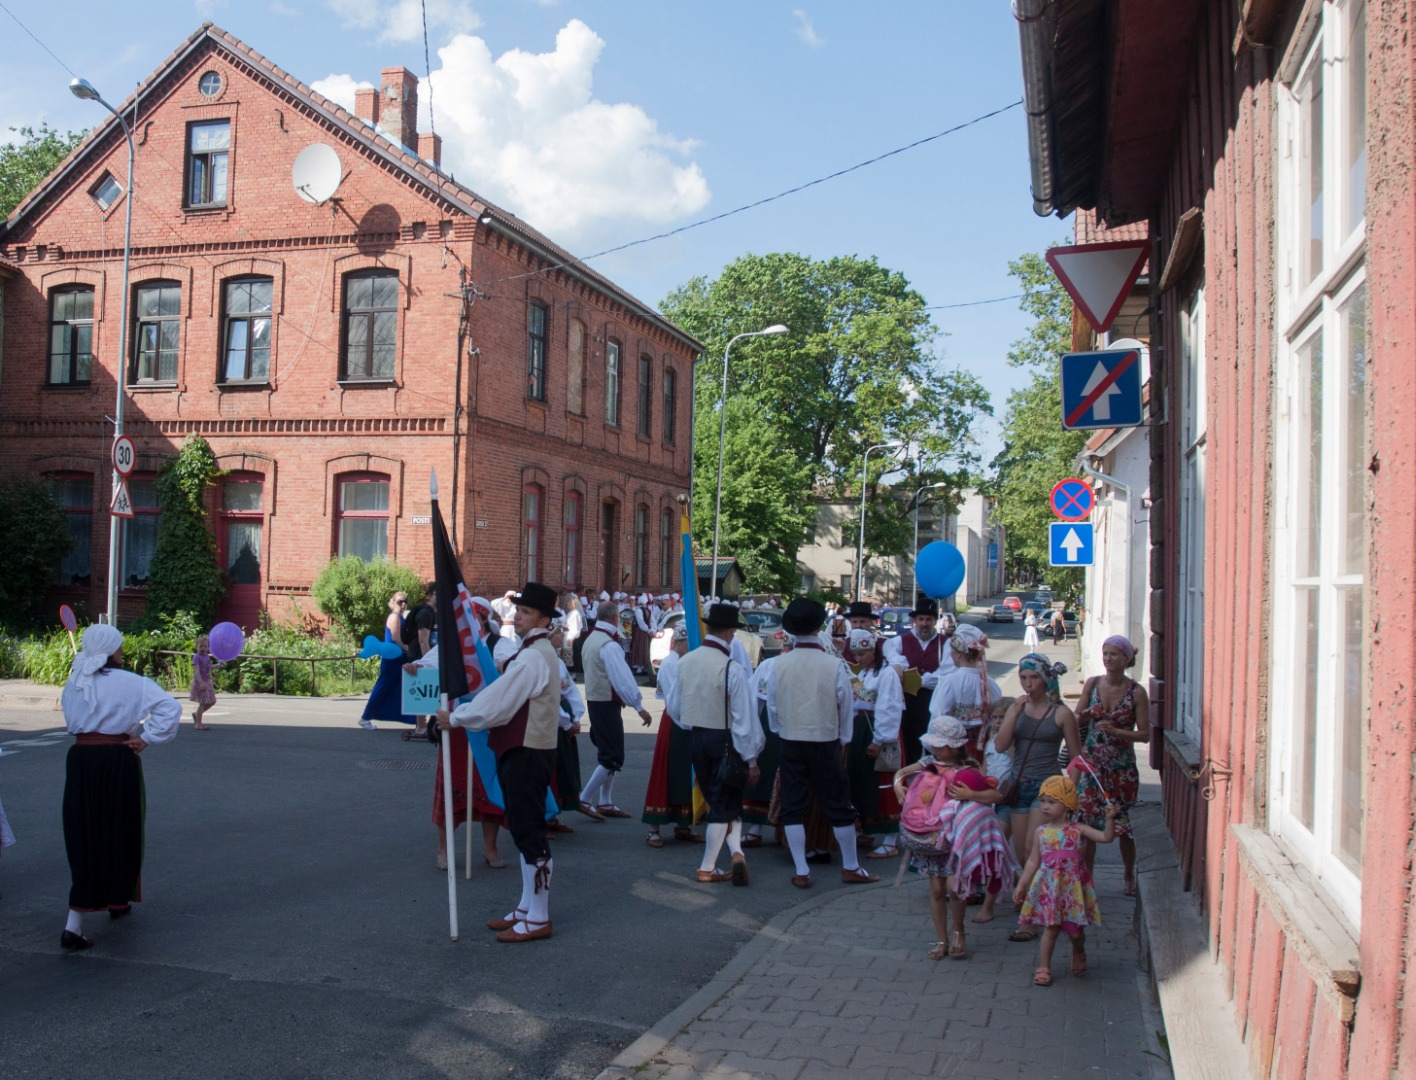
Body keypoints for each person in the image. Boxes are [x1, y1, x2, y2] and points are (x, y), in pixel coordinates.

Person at [436, 582, 563, 943]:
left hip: (527, 752)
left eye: (525, 612)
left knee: (529, 833)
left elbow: (501, 702)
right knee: (525, 831)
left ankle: (538, 917)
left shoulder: (534, 656)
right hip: (525, 750)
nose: (518, 616)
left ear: (541, 618)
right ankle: (527, 908)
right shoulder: (533, 652)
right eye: (518, 610)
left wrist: (458, 717)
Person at [58, 624, 182, 951]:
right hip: (118, 757)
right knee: (121, 829)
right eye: (120, 647)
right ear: (112, 650)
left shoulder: (74, 682)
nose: (123, 652)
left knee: (83, 832)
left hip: (82, 760)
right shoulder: (133, 683)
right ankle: (117, 898)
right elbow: (171, 708)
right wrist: (147, 738)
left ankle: (77, 921)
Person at [763, 598, 879, 889]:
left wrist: (783, 730)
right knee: (838, 802)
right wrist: (843, 738)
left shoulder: (776, 664)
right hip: (825, 740)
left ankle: (802, 869)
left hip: (791, 739)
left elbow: (773, 708)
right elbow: (846, 706)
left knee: (793, 803)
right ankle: (850, 866)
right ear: (819, 628)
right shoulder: (835, 665)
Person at [893, 715, 1010, 960]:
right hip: (929, 834)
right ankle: (941, 939)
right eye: (934, 743)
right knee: (936, 889)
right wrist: (897, 785)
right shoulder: (928, 762)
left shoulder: (969, 768)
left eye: (941, 744)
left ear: (955, 745)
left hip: (956, 836)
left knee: (954, 888)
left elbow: (995, 796)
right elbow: (902, 772)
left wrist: (970, 794)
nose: (936, 748)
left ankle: (959, 932)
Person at [667, 603, 764, 884]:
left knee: (722, 799)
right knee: (722, 805)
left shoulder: (685, 661)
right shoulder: (731, 668)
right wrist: (752, 759)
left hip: (696, 737)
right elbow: (744, 720)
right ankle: (707, 867)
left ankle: (737, 853)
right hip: (725, 740)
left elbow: (674, 706)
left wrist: (692, 724)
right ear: (730, 633)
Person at [995, 653, 1082, 943]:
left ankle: (1028, 919)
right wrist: (1011, 714)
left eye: (1033, 678)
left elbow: (1076, 758)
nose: (1028, 684)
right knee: (1023, 854)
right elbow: (1000, 745)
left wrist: (1070, 794)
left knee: (1035, 847)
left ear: (1045, 679)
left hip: (1047, 789)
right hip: (1019, 785)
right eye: (1023, 678)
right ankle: (1036, 903)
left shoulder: (1061, 714)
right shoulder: (1017, 709)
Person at [1012, 775, 1118, 986]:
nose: (1045, 807)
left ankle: (1078, 950)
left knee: (1076, 934)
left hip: (1071, 892)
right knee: (1050, 929)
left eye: (1052, 802)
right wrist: (1022, 883)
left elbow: (1106, 838)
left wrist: (1110, 819)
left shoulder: (1078, 830)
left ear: (1067, 804)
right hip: (1050, 891)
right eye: (1043, 801)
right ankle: (1044, 967)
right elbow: (1033, 860)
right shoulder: (1040, 832)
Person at [1073, 635, 1151, 896]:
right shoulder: (1093, 684)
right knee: (1087, 823)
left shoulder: (1137, 692)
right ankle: (1088, 879)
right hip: (1092, 767)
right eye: (1105, 653)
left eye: (1114, 654)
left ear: (1127, 659)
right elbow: (1077, 717)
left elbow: (1145, 734)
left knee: (1124, 826)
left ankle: (1128, 872)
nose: (1108, 658)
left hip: (1122, 769)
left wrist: (1119, 733)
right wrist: (1083, 716)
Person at [579, 600, 652, 818]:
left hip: (596, 700)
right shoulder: (608, 645)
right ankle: (584, 798)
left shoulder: (591, 639)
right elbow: (622, 679)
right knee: (612, 755)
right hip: (606, 703)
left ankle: (605, 801)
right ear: (615, 618)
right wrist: (639, 706)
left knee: (609, 751)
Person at [843, 628, 904, 859]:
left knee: (883, 783)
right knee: (861, 782)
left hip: (878, 733)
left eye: (864, 653)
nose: (859, 658)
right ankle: (866, 830)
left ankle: (890, 840)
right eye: (856, 654)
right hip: (861, 731)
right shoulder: (866, 675)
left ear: (874, 650)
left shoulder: (887, 674)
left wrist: (880, 740)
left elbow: (889, 707)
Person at [642, 624, 700, 846]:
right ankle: (653, 828)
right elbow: (674, 699)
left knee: (684, 774)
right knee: (665, 771)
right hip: (677, 722)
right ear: (680, 643)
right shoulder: (670, 664)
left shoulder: (683, 662)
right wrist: (686, 724)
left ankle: (683, 825)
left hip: (686, 721)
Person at [882, 598, 955, 766]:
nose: (924, 623)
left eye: (929, 619)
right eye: (921, 619)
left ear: (935, 621)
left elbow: (946, 673)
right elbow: (889, 653)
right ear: (914, 621)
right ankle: (910, 781)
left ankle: (935, 780)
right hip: (908, 703)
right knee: (909, 744)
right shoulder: (900, 641)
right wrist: (899, 664)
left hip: (934, 701)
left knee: (936, 745)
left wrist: (919, 681)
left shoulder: (945, 643)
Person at [930, 624, 1002, 760]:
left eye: (951, 650)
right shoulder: (990, 684)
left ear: (958, 653)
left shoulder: (949, 682)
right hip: (984, 753)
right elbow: (998, 719)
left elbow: (937, 719)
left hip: (953, 754)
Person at [976, 696, 1017, 923]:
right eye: (995, 718)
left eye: (1003, 717)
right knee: (995, 847)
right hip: (991, 799)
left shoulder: (1012, 740)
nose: (999, 722)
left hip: (1008, 799)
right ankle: (1018, 881)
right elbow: (984, 768)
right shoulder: (991, 741)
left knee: (997, 846)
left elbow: (1016, 763)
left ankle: (988, 906)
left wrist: (1010, 740)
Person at [358, 592, 422, 738]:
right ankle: (365, 718)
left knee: (400, 688)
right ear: (393, 602)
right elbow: (396, 639)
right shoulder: (394, 617)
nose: (404, 604)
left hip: (398, 657)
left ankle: (415, 719)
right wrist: (411, 651)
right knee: (384, 686)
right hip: (393, 657)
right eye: (400, 602)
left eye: (405, 601)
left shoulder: (400, 617)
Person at [189, 633, 218, 730]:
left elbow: (208, 667)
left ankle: (197, 715)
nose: (203, 648)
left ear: (208, 647)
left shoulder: (207, 656)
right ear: (196, 646)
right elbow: (196, 671)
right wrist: (201, 683)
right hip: (200, 683)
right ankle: (198, 724)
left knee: (212, 701)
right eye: (201, 646)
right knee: (202, 703)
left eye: (205, 646)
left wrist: (218, 665)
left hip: (207, 682)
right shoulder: (197, 657)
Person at [563, 594, 586, 671]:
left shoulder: (575, 614)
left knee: (572, 656)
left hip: (572, 638)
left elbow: (575, 628)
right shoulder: (571, 613)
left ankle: (573, 673)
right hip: (567, 636)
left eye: (569, 602)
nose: (567, 604)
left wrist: (571, 638)